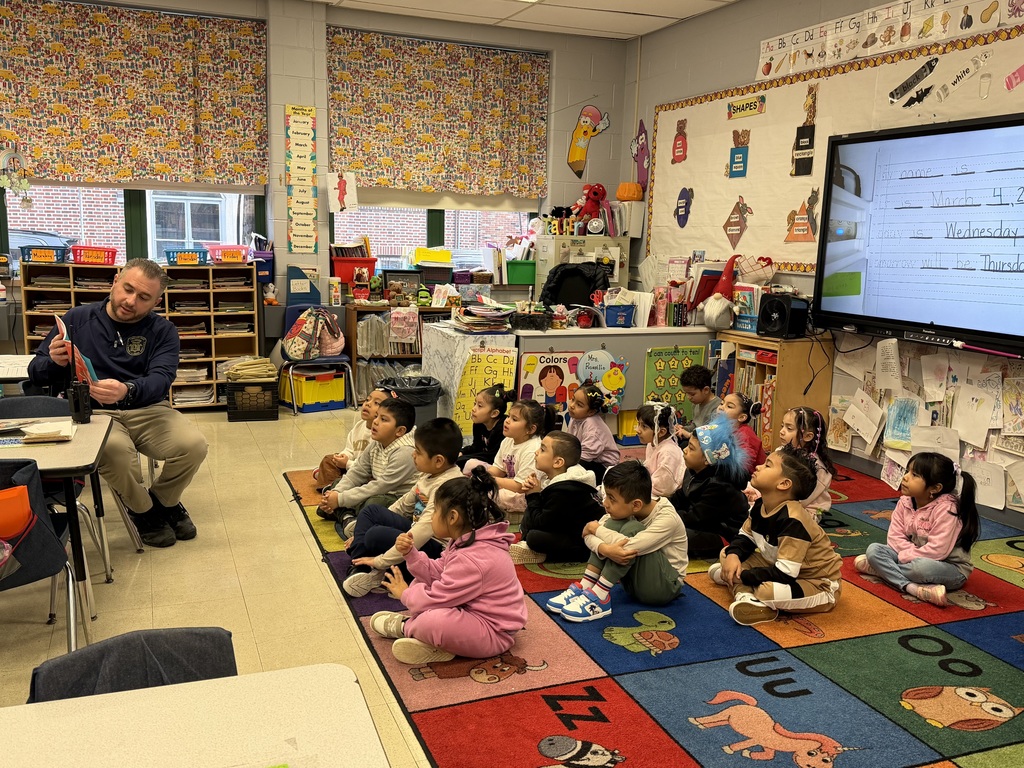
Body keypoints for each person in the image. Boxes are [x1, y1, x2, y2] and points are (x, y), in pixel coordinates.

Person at [27, 258, 208, 548]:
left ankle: (163, 502)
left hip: (148, 409)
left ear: (156, 301)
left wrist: (127, 389)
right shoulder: (76, 319)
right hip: (95, 413)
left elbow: (162, 379)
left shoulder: (163, 331)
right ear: (115, 282)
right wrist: (54, 361)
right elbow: (35, 371)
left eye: (143, 297)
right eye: (127, 289)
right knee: (116, 455)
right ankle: (144, 512)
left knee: (193, 446)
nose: (130, 301)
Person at [367, 467, 527, 665]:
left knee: (434, 620)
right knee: (421, 583)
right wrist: (411, 554)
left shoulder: (474, 558)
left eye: (434, 511)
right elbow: (437, 573)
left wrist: (405, 594)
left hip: (493, 633)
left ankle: (408, 627)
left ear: (452, 517)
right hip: (470, 613)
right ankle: (436, 644)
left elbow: (438, 597)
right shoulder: (467, 542)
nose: (431, 516)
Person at [709, 446, 843, 626]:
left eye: (767, 465)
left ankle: (742, 588)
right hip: (779, 565)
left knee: (767, 591)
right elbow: (745, 537)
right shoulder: (761, 505)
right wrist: (733, 556)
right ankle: (746, 596)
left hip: (818, 583)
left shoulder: (793, 521)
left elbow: (785, 573)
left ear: (783, 484)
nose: (758, 467)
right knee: (727, 553)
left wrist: (745, 576)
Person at [546, 461, 687, 622]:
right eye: (606, 495)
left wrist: (597, 533)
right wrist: (603, 546)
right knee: (612, 524)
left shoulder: (667, 518)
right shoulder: (626, 508)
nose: (605, 503)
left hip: (664, 587)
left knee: (631, 528)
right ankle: (587, 585)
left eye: (612, 499)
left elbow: (626, 547)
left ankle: (600, 595)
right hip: (633, 583)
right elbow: (589, 534)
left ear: (636, 505)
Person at [342, 418, 465, 597]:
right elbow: (403, 505)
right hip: (414, 537)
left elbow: (422, 532)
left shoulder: (447, 487)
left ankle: (374, 568)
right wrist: (362, 532)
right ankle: (361, 565)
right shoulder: (429, 474)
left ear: (438, 461)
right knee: (371, 511)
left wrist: (379, 561)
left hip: (435, 550)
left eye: (418, 452)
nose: (413, 455)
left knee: (375, 535)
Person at [856, 452, 978, 607]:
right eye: (907, 471)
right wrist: (906, 555)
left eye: (914, 475)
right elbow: (894, 538)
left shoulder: (947, 509)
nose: (905, 477)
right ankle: (912, 587)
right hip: (910, 557)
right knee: (874, 550)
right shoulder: (905, 501)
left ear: (935, 488)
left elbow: (937, 550)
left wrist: (903, 557)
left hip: (948, 567)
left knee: (920, 568)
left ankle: (882, 570)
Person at [317, 397, 417, 536]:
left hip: (396, 500)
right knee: (337, 485)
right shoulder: (377, 442)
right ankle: (348, 518)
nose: (375, 422)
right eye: (376, 416)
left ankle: (346, 514)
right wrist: (336, 493)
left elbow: (380, 486)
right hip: (377, 491)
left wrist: (340, 499)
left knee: (373, 504)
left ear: (399, 431)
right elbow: (357, 472)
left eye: (384, 419)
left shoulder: (406, 452)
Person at [513, 432, 603, 564]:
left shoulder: (565, 490)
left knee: (534, 537)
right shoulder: (559, 480)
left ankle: (548, 556)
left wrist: (533, 495)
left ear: (558, 462)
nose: (536, 452)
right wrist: (533, 494)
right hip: (564, 529)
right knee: (529, 525)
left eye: (542, 449)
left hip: (582, 541)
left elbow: (542, 523)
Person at [669, 415, 751, 559]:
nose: (685, 450)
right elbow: (680, 496)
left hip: (723, 534)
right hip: (703, 524)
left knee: (672, 537)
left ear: (708, 459)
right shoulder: (694, 470)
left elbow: (696, 518)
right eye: (687, 445)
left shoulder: (719, 486)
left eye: (691, 448)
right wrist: (660, 507)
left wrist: (666, 518)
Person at [467, 399, 558, 516]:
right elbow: (499, 469)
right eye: (508, 416)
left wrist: (492, 481)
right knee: (471, 465)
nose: (507, 421)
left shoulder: (532, 449)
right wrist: (481, 476)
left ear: (530, 429)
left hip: (526, 493)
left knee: (497, 495)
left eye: (514, 419)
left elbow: (520, 486)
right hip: (511, 482)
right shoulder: (508, 440)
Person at [313, 388, 389, 489]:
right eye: (367, 400)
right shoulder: (359, 426)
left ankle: (332, 482)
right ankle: (330, 484)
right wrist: (343, 457)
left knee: (371, 480)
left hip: (366, 472)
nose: (368, 404)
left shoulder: (382, 433)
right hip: (352, 466)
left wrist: (348, 464)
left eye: (376, 403)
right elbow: (350, 449)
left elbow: (373, 467)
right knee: (328, 460)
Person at [778, 406, 835, 520]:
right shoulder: (780, 451)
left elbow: (804, 499)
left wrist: (773, 501)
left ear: (808, 436)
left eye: (789, 428)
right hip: (781, 500)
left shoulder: (816, 466)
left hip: (805, 509)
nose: (782, 431)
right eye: (782, 426)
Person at [565, 384, 620, 483]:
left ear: (591, 412)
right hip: (588, 458)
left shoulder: (593, 427)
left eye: (579, 405)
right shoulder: (575, 418)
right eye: (573, 400)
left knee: (570, 470)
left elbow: (585, 455)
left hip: (605, 469)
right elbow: (570, 442)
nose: (572, 405)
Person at [635, 400, 685, 498]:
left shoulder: (668, 452)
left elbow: (663, 489)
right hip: (652, 487)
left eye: (644, 427)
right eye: (638, 424)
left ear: (661, 432)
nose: (637, 430)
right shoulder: (652, 443)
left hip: (665, 498)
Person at [457, 383, 513, 470]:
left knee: (465, 463)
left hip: (498, 465)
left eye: (479, 406)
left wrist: (463, 459)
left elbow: (493, 456)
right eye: (474, 403)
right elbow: (477, 447)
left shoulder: (503, 428)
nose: (473, 409)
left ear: (494, 413)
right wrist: (461, 452)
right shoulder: (478, 424)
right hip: (486, 459)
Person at [718, 392, 767, 480]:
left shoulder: (745, 434)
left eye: (729, 406)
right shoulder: (723, 428)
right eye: (722, 403)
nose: (721, 408)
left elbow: (745, 465)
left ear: (742, 417)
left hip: (749, 478)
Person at [673, 365, 722, 444]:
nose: (689, 398)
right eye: (687, 393)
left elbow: (710, 437)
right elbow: (695, 426)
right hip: (695, 438)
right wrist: (683, 428)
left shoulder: (718, 408)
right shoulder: (696, 403)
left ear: (705, 390)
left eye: (692, 394)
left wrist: (689, 435)